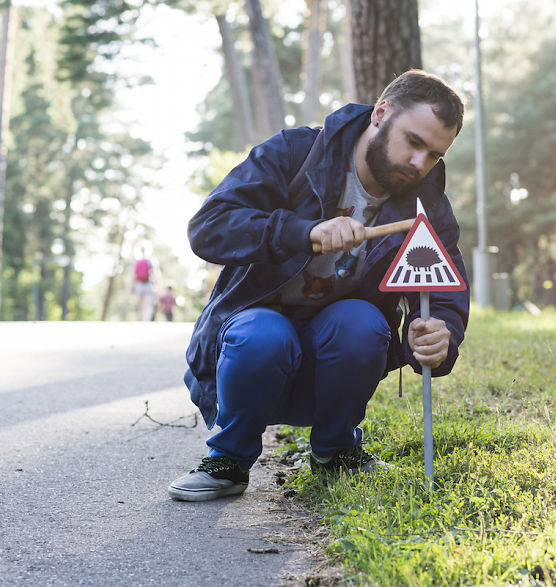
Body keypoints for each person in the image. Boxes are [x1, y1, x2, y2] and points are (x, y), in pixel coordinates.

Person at [168, 70, 470, 502]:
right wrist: (302, 232)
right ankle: (228, 461)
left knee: (361, 322)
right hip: (252, 354)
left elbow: (444, 293)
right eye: (414, 142)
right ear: (381, 113)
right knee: (264, 334)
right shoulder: (294, 153)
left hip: (333, 362)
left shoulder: (427, 204)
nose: (420, 164)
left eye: (435, 155)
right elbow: (209, 229)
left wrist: (442, 334)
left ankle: (336, 450)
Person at [132, 247, 156, 321]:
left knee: (141, 303)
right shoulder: (150, 260)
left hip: (139, 284)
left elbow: (132, 275)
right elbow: (153, 273)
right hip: (148, 283)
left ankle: (142, 319)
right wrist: (157, 285)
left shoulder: (135, 261)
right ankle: (146, 319)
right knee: (148, 303)